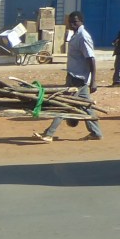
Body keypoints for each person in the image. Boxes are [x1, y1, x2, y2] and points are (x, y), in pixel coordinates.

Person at [33, 11, 102, 142]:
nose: (72, 24)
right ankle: (96, 132)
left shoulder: (83, 36)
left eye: (75, 22)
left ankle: (49, 133)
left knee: (63, 104)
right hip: (74, 76)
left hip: (78, 79)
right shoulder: (75, 35)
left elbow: (91, 59)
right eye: (70, 22)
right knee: (87, 106)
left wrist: (93, 81)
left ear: (81, 21)